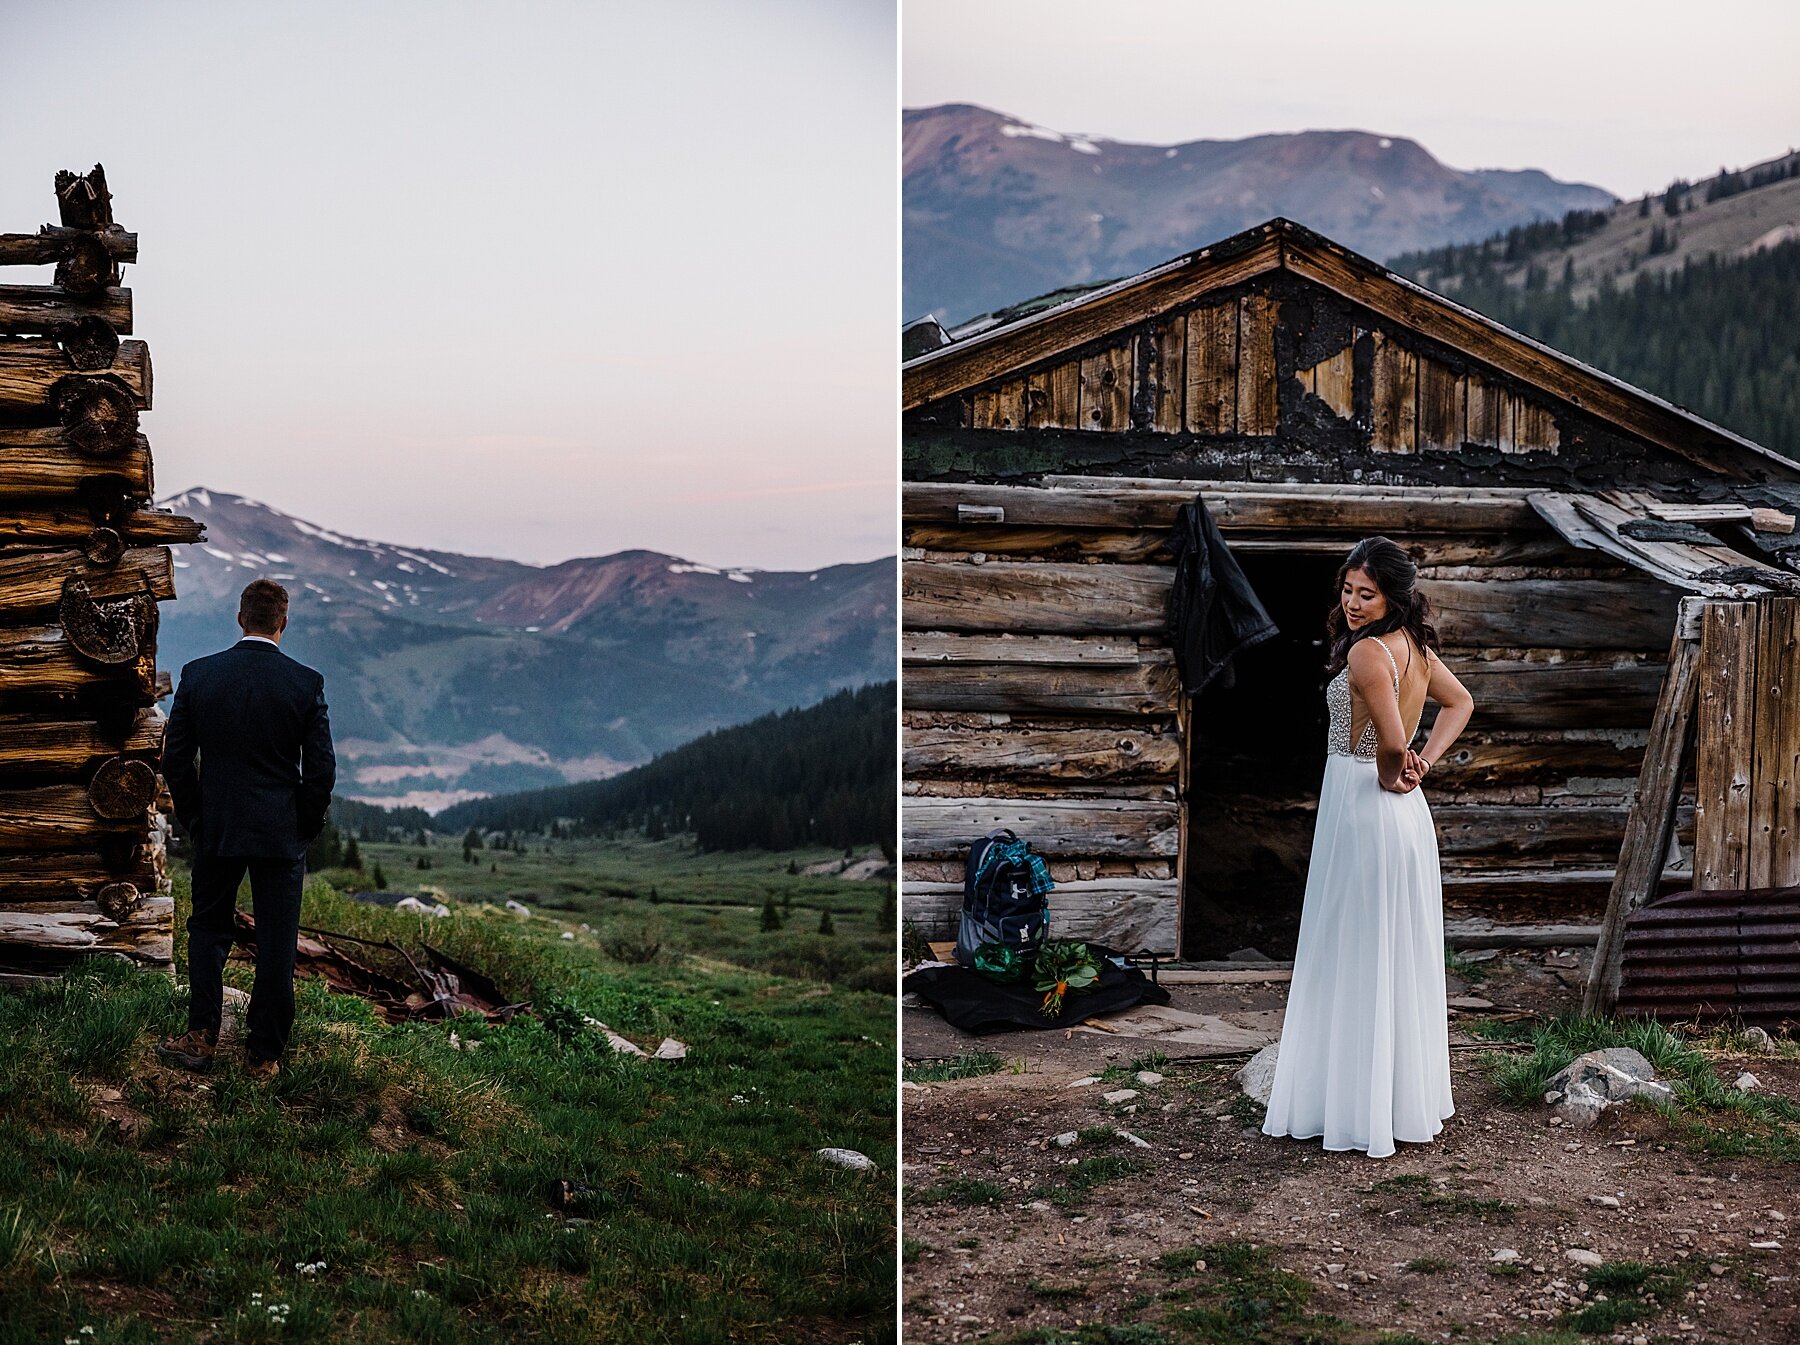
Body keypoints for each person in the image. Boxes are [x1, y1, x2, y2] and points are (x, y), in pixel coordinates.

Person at [1261, 537, 1475, 1158]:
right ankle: (1387, 1099)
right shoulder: (1417, 648)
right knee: (1385, 948)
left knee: (1351, 946)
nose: (1352, 604)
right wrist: (1426, 764)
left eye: (1367, 593)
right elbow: (1460, 704)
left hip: (1364, 804)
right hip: (1402, 815)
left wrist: (1399, 768)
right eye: (1348, 591)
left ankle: (1354, 1106)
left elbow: (1386, 745)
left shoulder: (1367, 655)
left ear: (1393, 596)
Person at [155, 579, 335, 1079]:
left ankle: (199, 1038)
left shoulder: (200, 675)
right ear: (283, 622)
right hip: (281, 834)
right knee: (278, 940)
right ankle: (263, 1055)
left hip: (219, 827)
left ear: (240, 618)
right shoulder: (306, 683)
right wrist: (302, 825)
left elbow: (174, 759)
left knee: (208, 929)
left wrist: (195, 816)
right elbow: (321, 771)